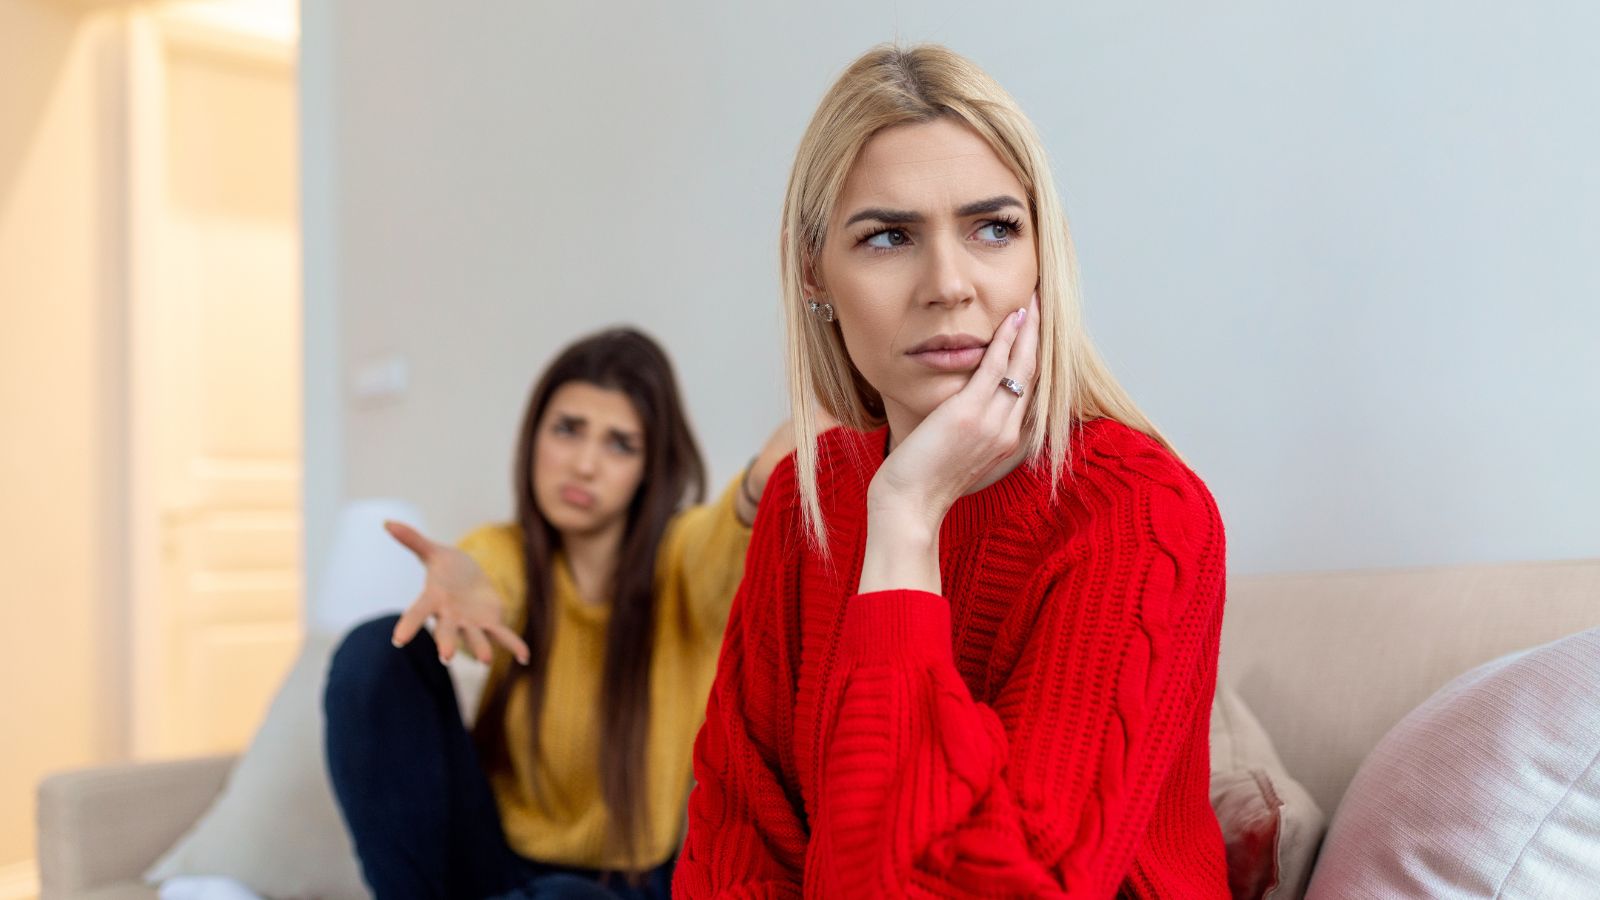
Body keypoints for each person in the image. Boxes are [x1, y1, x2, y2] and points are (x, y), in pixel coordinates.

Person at [675, 45, 1231, 898]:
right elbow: (734, 852)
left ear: (1043, 257)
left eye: (994, 228)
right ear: (813, 270)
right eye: (889, 236)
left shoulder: (1142, 514)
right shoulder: (805, 502)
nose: (949, 284)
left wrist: (904, 521)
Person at [325, 327, 796, 899]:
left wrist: (756, 488)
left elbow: (721, 539)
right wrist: (471, 585)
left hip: (630, 884)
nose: (584, 465)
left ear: (649, 468)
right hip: (491, 859)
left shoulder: (680, 558)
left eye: (620, 444)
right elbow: (488, 573)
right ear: (534, 439)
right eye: (568, 431)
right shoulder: (504, 550)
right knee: (375, 650)